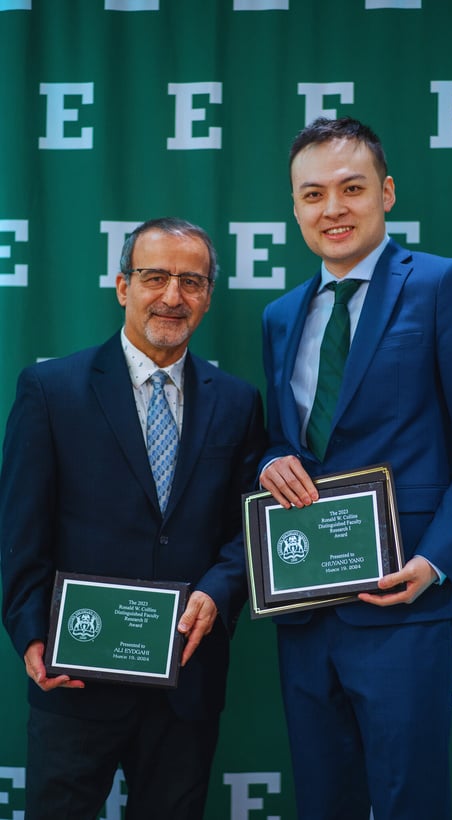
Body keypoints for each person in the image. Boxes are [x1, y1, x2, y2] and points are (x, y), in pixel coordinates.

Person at [259, 117, 452, 820]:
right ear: (295, 208)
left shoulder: (441, 285)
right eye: (313, 195)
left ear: (388, 192)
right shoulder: (280, 316)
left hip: (403, 599)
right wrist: (271, 459)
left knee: (409, 799)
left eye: (352, 188)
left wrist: (436, 561)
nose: (333, 208)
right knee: (323, 802)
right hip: (305, 604)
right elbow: (282, 440)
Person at [0, 217, 266, 820]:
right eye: (155, 277)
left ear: (207, 296)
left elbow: (245, 529)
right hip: (76, 678)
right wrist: (30, 633)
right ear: (123, 286)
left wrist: (221, 591)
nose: (173, 297)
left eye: (191, 282)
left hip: (186, 681)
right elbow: (20, 528)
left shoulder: (238, 401)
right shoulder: (50, 389)